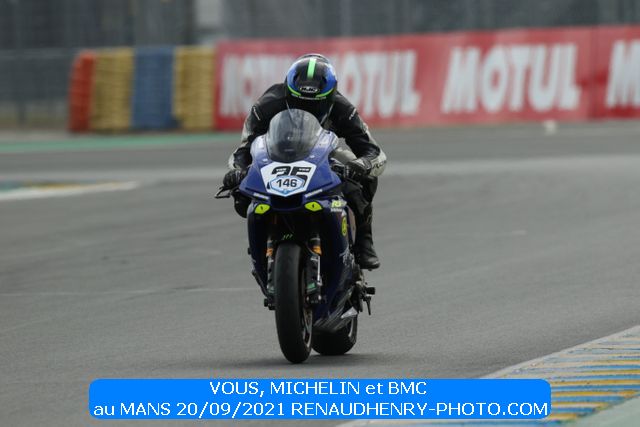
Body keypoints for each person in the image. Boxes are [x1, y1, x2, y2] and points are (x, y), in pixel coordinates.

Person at [223, 53, 386, 269]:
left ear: (330, 98)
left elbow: (374, 152)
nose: (306, 110)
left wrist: (360, 166)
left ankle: (364, 241)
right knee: (242, 197)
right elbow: (244, 149)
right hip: (274, 156)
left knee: (365, 179)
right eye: (299, 103)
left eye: (314, 106)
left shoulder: (342, 108)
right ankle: (261, 247)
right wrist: (238, 171)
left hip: (323, 156)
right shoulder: (267, 105)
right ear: (288, 92)